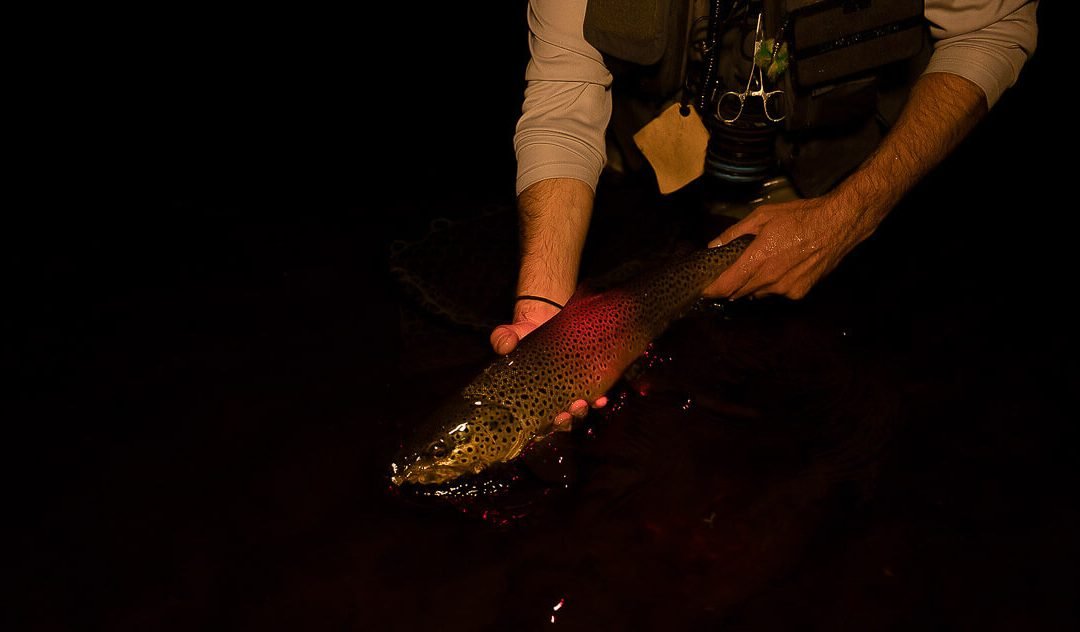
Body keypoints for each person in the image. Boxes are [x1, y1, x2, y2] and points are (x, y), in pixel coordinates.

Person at [490, 0, 1038, 426]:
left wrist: (848, 218)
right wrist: (543, 308)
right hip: (645, 189)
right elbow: (565, 95)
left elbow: (991, 29)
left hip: (856, 190)